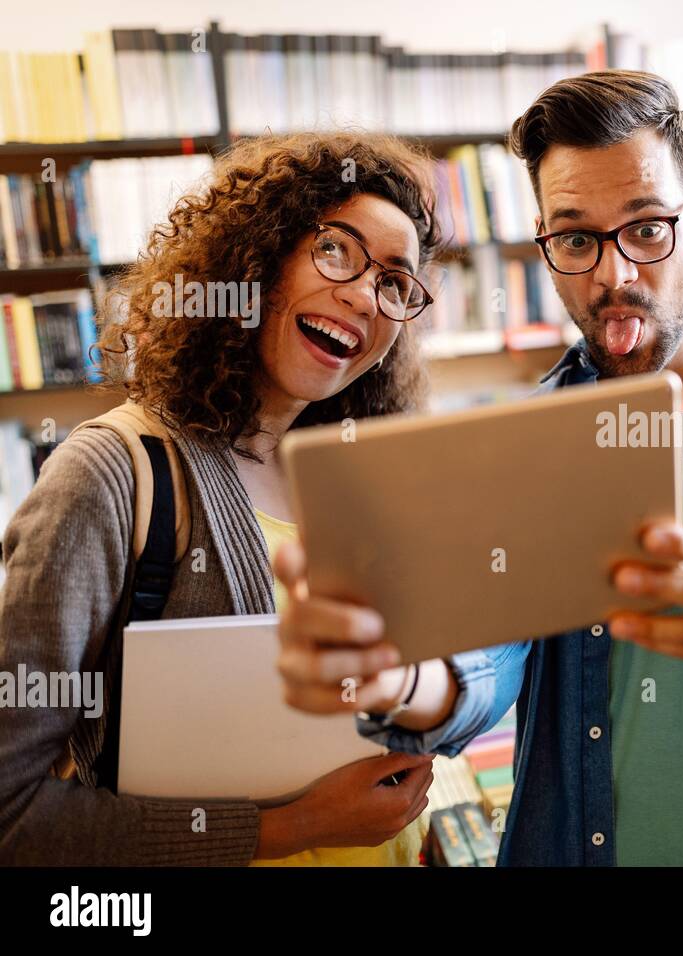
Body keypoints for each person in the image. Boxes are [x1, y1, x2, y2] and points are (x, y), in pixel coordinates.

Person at [273, 70, 683, 866]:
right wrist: (404, 682)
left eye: (647, 228)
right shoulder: (522, 444)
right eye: (576, 238)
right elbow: (490, 650)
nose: (612, 276)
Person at [0, 132, 439, 865]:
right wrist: (296, 827)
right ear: (257, 260)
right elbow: (12, 814)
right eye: (337, 251)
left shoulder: (360, 476)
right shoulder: (108, 475)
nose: (366, 294)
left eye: (396, 282)